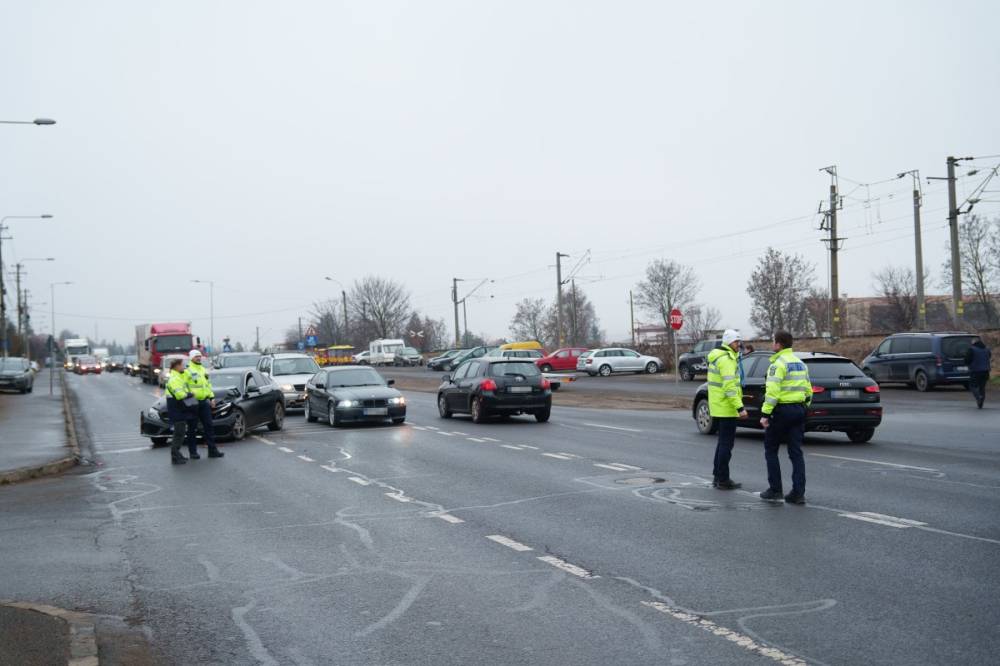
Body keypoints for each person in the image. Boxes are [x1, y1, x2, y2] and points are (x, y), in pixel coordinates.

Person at [758, 330, 811, 504]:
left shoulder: (777, 364)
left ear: (778, 344)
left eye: (773, 341)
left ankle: (775, 490)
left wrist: (765, 414)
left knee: (771, 449)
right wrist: (803, 407)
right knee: (796, 452)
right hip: (799, 409)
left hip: (781, 411)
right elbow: (808, 391)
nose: (772, 344)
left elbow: (772, 393)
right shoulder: (800, 363)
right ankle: (798, 493)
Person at [707, 329, 748, 489]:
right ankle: (723, 479)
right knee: (726, 444)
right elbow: (729, 387)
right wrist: (740, 407)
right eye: (737, 342)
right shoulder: (726, 360)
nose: (739, 344)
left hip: (720, 405)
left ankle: (718, 475)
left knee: (722, 443)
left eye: (739, 341)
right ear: (729, 342)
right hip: (726, 406)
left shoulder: (720, 356)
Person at [184, 349, 224, 459]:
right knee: (192, 428)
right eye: (196, 356)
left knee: (209, 426)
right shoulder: (187, 371)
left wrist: (211, 398)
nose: (198, 358)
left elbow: (207, 385)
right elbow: (183, 386)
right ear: (191, 358)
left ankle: (212, 450)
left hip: (204, 402)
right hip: (192, 403)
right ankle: (193, 452)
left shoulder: (202, 370)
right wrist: (188, 397)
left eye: (199, 356)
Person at [164, 358, 193, 465]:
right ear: (176, 366)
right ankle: (175, 456)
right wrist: (189, 394)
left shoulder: (177, 376)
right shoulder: (174, 378)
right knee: (179, 433)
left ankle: (177, 454)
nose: (183, 367)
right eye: (182, 365)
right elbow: (179, 394)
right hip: (176, 408)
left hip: (178, 407)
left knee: (181, 432)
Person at [965, 339, 992, 409]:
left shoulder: (972, 349)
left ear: (974, 343)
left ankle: (978, 397)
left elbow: (967, 360)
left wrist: (968, 364)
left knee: (972, 386)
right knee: (982, 387)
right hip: (986, 371)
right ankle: (981, 403)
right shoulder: (987, 349)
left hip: (975, 371)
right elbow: (989, 357)